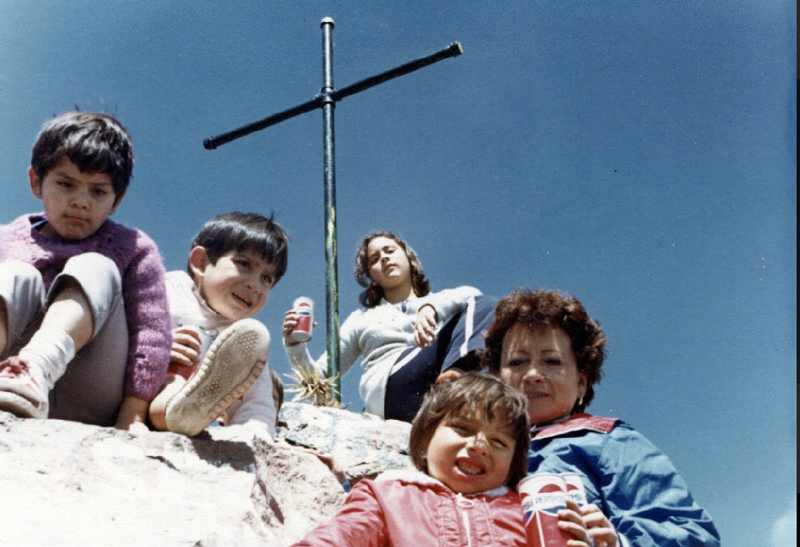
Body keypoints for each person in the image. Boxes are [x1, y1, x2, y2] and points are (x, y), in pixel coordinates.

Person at [483, 288, 722, 547]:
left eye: (551, 361)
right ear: (497, 379)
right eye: (517, 362)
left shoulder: (609, 440)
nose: (532, 374)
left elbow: (691, 535)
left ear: (581, 383)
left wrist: (618, 542)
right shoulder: (467, 449)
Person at [0, 111, 171, 430]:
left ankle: (37, 367)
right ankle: (20, 377)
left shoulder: (132, 247)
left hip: (88, 394)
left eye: (98, 191)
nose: (81, 201)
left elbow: (151, 335)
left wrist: (132, 416)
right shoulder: (5, 239)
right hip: (5, 379)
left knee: (95, 266)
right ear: (37, 182)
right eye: (66, 184)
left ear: (116, 200)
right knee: (13, 274)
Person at [289, 372, 594, 547]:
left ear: (513, 467)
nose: (479, 445)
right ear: (423, 444)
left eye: (498, 441)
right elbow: (338, 538)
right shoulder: (386, 496)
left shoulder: (524, 513)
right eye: (462, 428)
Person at [283, 231, 496, 422]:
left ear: (410, 259)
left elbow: (473, 295)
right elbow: (320, 376)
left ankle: (456, 381)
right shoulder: (362, 318)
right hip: (392, 390)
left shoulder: (442, 301)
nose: (384, 258)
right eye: (374, 259)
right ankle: (456, 383)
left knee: (485, 306)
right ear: (371, 276)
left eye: (390, 251)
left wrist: (430, 307)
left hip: (431, 388)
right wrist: (294, 345)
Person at [148, 212, 289, 438]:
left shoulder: (245, 340)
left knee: (238, 371)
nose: (255, 285)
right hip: (135, 396)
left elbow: (257, 403)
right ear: (201, 263)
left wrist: (255, 436)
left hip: (179, 417)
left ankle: (185, 411)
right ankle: (177, 407)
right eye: (244, 264)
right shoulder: (167, 291)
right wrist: (153, 347)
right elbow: (119, 328)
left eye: (266, 279)